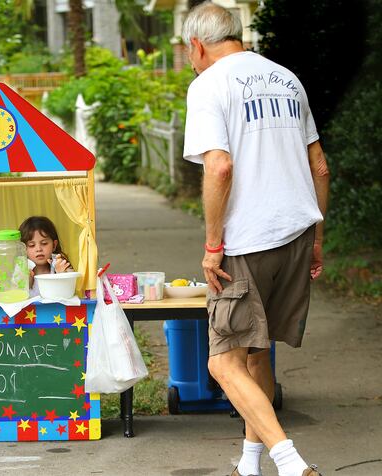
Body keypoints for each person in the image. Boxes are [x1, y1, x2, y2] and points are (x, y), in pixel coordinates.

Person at [182, 3, 329, 476]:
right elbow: (320, 166)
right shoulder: (288, 79)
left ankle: (290, 463)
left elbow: (219, 166)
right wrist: (318, 239)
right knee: (258, 352)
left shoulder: (208, 85)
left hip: (247, 241)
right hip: (297, 233)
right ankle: (249, 466)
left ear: (197, 45)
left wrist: (211, 245)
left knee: (223, 364)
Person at [19, 216, 73, 296]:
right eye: (31, 245)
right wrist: (27, 279)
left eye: (44, 243)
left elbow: (70, 289)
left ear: (54, 245)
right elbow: (17, 294)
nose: (38, 249)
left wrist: (61, 274)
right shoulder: (21, 268)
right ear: (23, 249)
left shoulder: (60, 265)